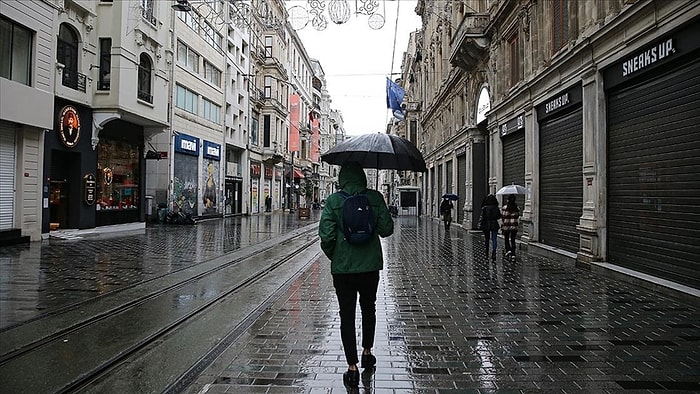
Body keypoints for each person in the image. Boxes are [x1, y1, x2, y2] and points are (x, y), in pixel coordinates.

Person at [318, 162, 394, 388]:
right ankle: (367, 353)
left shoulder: (333, 201)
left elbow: (326, 237)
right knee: (369, 308)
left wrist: (337, 256)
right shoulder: (375, 197)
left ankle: (351, 368)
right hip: (370, 266)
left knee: (347, 315)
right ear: (362, 177)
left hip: (343, 270)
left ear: (341, 178)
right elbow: (387, 230)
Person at [479, 194, 502, 259]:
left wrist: (480, 225)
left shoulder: (484, 208)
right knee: (494, 239)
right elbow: (499, 216)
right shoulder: (496, 208)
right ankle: (494, 252)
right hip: (494, 224)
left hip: (486, 224)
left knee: (487, 239)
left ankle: (486, 252)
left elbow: (482, 217)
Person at [501, 194, 520, 259]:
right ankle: (513, 254)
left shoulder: (504, 207)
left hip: (506, 226)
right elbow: (517, 216)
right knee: (513, 239)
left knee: (506, 239)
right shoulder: (517, 208)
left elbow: (503, 216)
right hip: (514, 226)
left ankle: (508, 250)